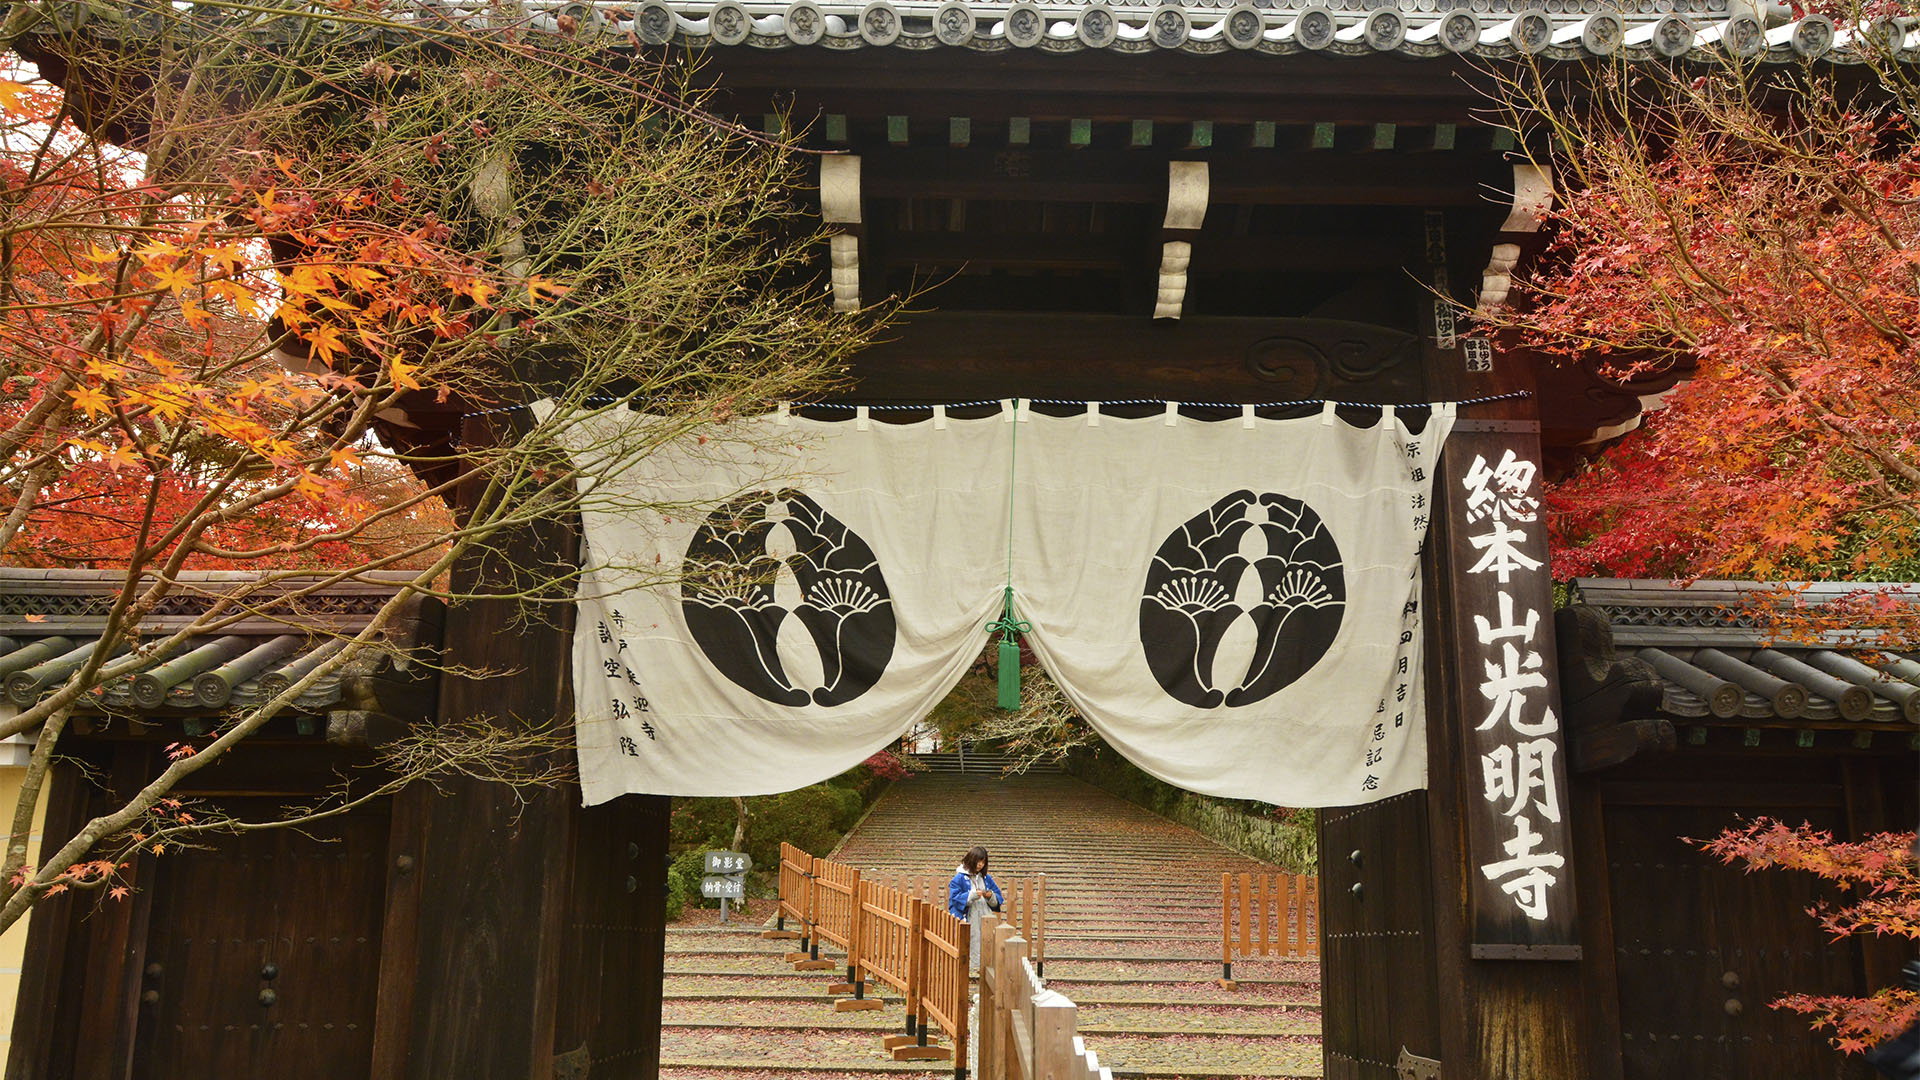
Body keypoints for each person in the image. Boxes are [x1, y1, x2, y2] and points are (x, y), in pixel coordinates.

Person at [947, 845, 1004, 968]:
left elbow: (998, 898)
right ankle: (971, 968)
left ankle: (986, 968)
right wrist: (971, 895)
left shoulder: (986, 878)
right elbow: (954, 899)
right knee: (972, 941)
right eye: (978, 861)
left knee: (988, 941)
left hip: (986, 916)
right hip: (970, 916)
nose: (980, 865)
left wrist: (990, 896)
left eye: (983, 862)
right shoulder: (959, 878)